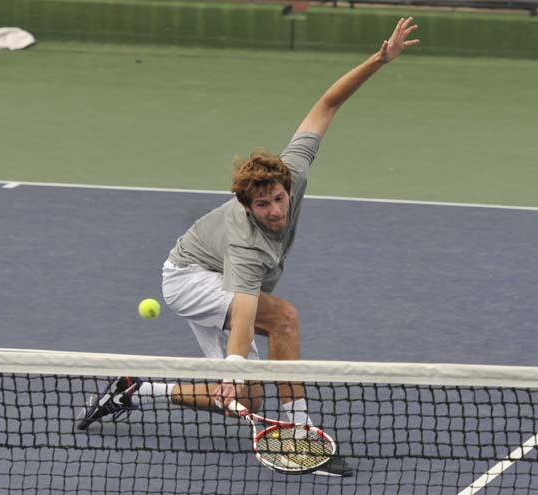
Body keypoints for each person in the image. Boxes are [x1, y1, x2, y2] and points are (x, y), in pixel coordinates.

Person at [78, 17, 420, 477]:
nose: (276, 211)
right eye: (264, 205)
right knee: (283, 318)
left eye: (279, 199)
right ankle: (299, 432)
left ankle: (137, 389)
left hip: (212, 272)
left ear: (285, 186)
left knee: (246, 398)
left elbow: (327, 104)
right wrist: (233, 365)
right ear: (248, 204)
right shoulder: (245, 241)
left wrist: (379, 60)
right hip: (190, 279)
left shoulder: (291, 173)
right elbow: (243, 310)